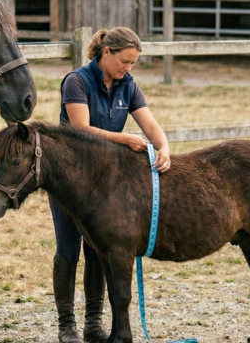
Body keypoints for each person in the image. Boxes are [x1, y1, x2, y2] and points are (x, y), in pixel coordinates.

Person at [51, 27, 171, 343]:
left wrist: (164, 147)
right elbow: (79, 129)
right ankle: (67, 327)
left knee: (98, 250)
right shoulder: (76, 81)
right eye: (125, 61)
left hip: (104, 184)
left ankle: (93, 324)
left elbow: (150, 124)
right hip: (70, 180)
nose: (128, 68)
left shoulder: (127, 85)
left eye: (132, 64)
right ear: (107, 53)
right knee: (68, 249)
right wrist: (124, 138)